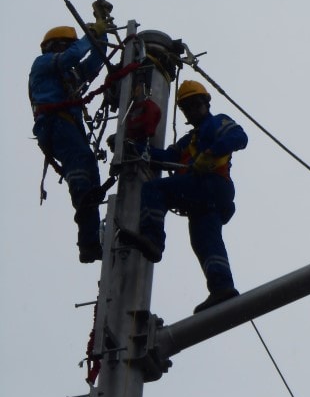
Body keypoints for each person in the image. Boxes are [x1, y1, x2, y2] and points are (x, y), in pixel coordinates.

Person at [119, 80, 248, 314]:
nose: (192, 110)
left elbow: (239, 137)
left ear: (206, 103)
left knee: (155, 189)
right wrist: (131, 148)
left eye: (195, 104)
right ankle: (222, 287)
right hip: (202, 198)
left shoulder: (217, 122)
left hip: (212, 185)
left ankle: (153, 239)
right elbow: (166, 156)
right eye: (187, 107)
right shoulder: (187, 142)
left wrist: (212, 152)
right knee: (204, 241)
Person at [29, 23, 109, 263]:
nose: (71, 49)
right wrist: (88, 36)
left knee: (90, 176)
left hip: (67, 127)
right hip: (55, 124)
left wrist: (101, 33)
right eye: (67, 44)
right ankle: (85, 225)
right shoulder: (43, 63)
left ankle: (89, 242)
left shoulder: (68, 74)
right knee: (81, 170)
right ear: (54, 46)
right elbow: (73, 55)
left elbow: (96, 60)